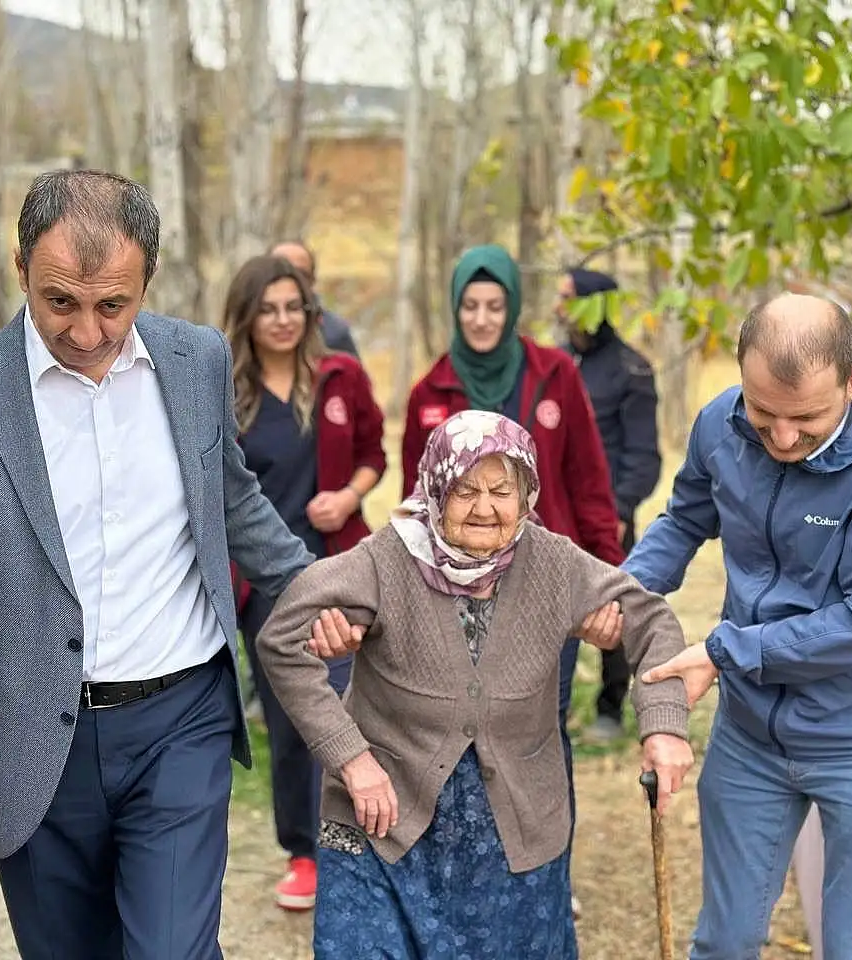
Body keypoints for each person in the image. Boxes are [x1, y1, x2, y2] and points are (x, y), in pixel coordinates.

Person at [0, 170, 312, 960]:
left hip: (183, 716)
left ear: (148, 280)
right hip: (34, 741)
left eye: (114, 304)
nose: (88, 331)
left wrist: (324, 589)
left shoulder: (196, 359)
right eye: (60, 300)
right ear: (19, 267)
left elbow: (231, 501)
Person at [254, 410, 694, 958]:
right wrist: (349, 758)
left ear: (527, 494)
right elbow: (281, 639)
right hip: (384, 816)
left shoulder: (552, 563)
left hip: (514, 828)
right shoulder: (387, 559)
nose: (484, 508)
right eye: (464, 490)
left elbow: (651, 620)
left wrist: (664, 726)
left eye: (501, 491)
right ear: (436, 488)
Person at [631, 294, 852, 960]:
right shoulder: (721, 423)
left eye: (805, 418)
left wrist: (725, 651)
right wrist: (625, 591)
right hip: (752, 733)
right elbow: (687, 517)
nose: (780, 438)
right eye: (763, 411)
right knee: (725, 939)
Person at [400, 245, 623, 890]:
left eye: (494, 305)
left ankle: (546, 873)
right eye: (470, 305)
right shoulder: (430, 391)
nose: (481, 318)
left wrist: (603, 575)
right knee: (460, 735)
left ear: (513, 308)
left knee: (538, 736)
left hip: (545, 592)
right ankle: (474, 873)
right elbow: (418, 501)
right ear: (454, 308)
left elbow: (588, 482)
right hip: (458, 593)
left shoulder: (554, 375)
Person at [223, 254, 386, 911]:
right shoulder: (226, 393)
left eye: (294, 306)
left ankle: (353, 845)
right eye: (269, 308)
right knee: (293, 719)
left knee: (350, 708)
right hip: (264, 586)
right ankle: (303, 853)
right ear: (247, 317)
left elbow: (376, 453)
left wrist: (347, 496)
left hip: (337, 567)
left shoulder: (340, 378)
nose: (284, 320)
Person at [557, 267, 663, 744]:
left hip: (607, 514)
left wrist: (617, 510)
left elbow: (644, 456)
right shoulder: (554, 365)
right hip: (554, 513)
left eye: (568, 297)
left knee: (612, 612)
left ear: (594, 304)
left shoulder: (631, 370)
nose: (558, 306)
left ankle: (610, 705)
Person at [271, 239, 360, 358]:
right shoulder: (244, 329)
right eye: (281, 272)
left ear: (312, 280)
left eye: (300, 274)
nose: (290, 281)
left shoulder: (334, 333)